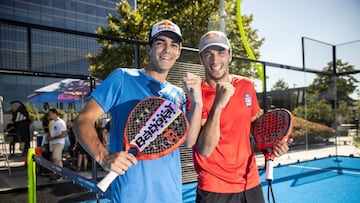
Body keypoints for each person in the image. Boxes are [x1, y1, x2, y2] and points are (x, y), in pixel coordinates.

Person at [73, 19, 199, 203]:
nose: (167, 49)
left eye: (173, 45)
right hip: (130, 196)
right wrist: (104, 156)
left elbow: (187, 140)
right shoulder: (122, 77)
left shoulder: (179, 94)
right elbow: (82, 120)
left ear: (178, 52)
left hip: (171, 195)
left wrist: (197, 102)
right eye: (160, 43)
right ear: (148, 49)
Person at [182, 31, 291, 203]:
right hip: (215, 188)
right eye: (208, 54)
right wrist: (218, 105)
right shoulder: (195, 94)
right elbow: (204, 148)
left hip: (251, 182)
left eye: (221, 53)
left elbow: (255, 125)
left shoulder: (246, 85)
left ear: (230, 55)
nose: (215, 60)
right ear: (201, 58)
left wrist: (274, 144)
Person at [46, 108, 67, 181]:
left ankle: (58, 173)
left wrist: (54, 138)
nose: (49, 115)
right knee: (55, 158)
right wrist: (48, 137)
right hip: (52, 143)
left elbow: (64, 134)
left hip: (59, 142)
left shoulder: (61, 122)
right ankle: (58, 173)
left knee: (56, 158)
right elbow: (51, 132)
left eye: (50, 113)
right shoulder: (51, 123)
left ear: (55, 114)